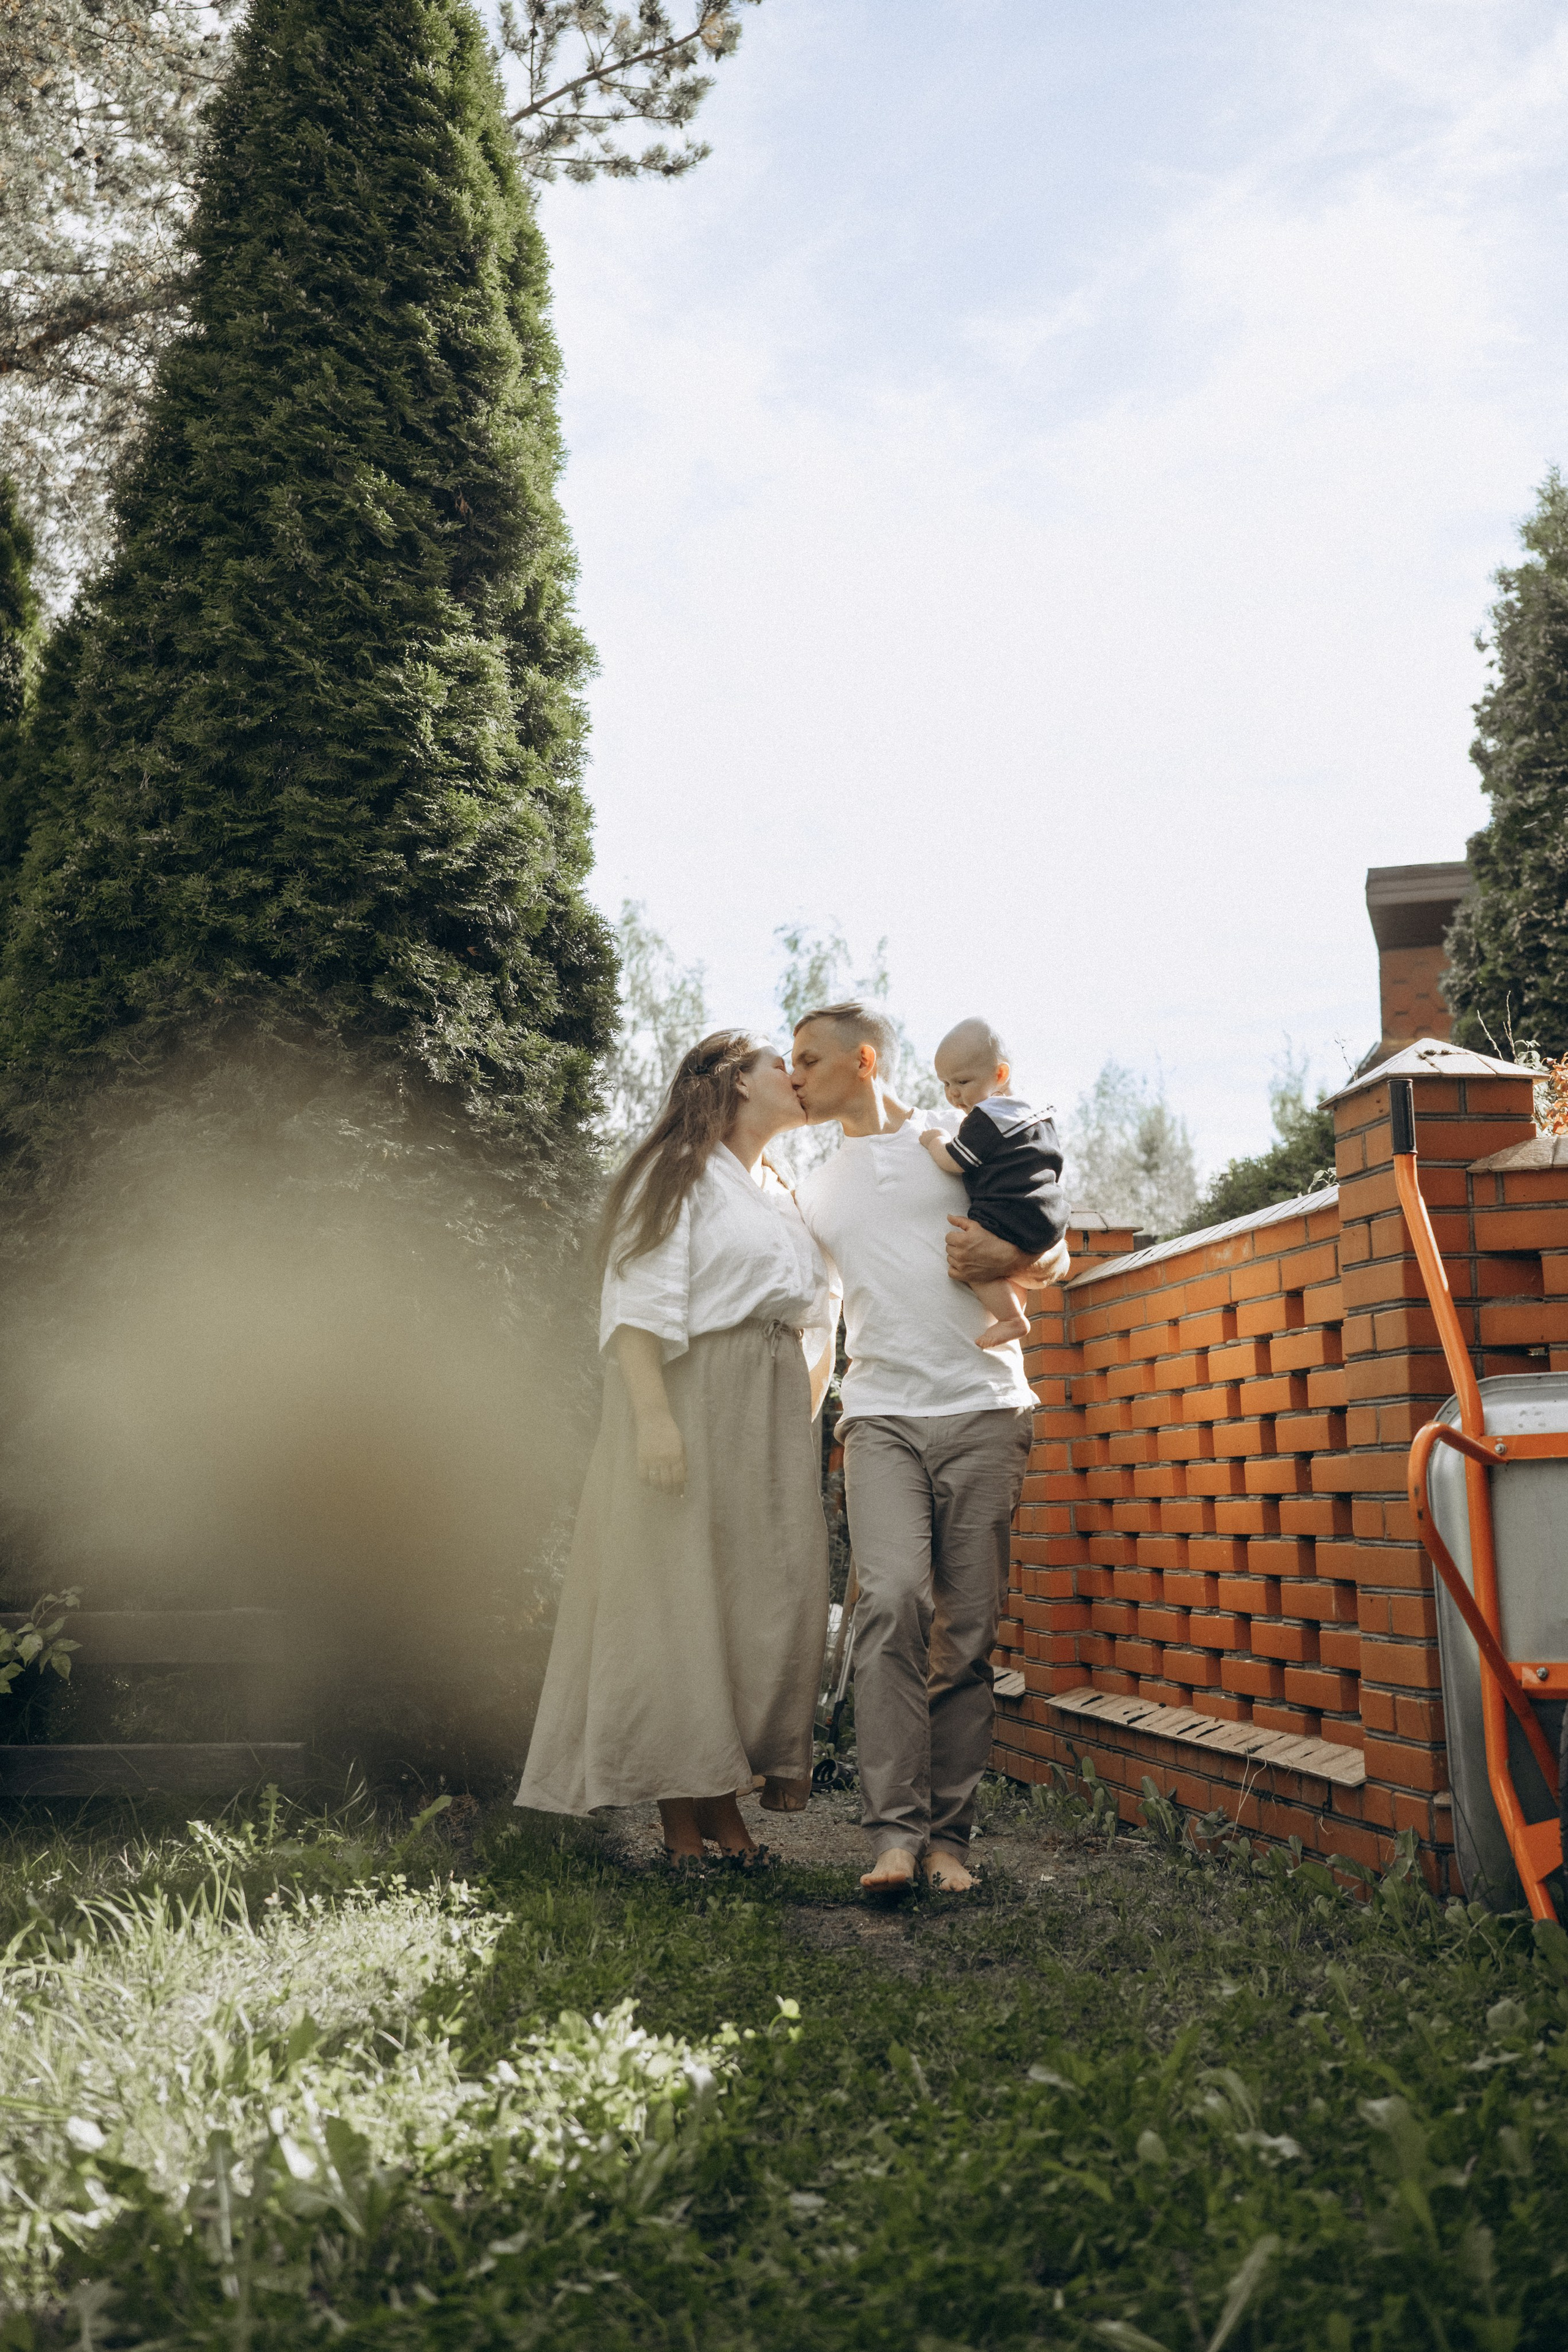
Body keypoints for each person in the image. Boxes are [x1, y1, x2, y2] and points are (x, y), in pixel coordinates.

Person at [516, 1031, 834, 1866]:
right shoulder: (679, 1172)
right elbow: (638, 1302)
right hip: (693, 1395)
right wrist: (654, 1419)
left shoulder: (781, 1192)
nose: (796, 1077)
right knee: (677, 1605)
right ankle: (690, 1826)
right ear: (732, 1082)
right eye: (780, 1065)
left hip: (767, 1411)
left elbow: (815, 1314)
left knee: (758, 1604)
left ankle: (721, 1801)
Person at [790, 1002, 1071, 1896]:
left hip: (985, 1407)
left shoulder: (959, 1137)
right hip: (877, 1417)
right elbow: (808, 1310)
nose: (794, 1075)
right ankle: (892, 1836)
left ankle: (948, 1838)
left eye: (809, 1059)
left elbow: (1054, 1246)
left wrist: (1014, 1257)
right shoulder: (817, 1188)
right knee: (894, 1604)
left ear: (864, 1061)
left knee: (969, 1630)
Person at [917, 1016, 1068, 1351]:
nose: (953, 1094)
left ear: (1000, 1075)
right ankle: (1014, 1304)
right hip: (1051, 1214)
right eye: (945, 1084)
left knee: (973, 1260)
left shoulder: (986, 1118)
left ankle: (1012, 1318)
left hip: (1009, 1210)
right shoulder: (1039, 1114)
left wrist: (935, 1141)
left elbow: (953, 1161)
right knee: (998, 1263)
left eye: (962, 1081)